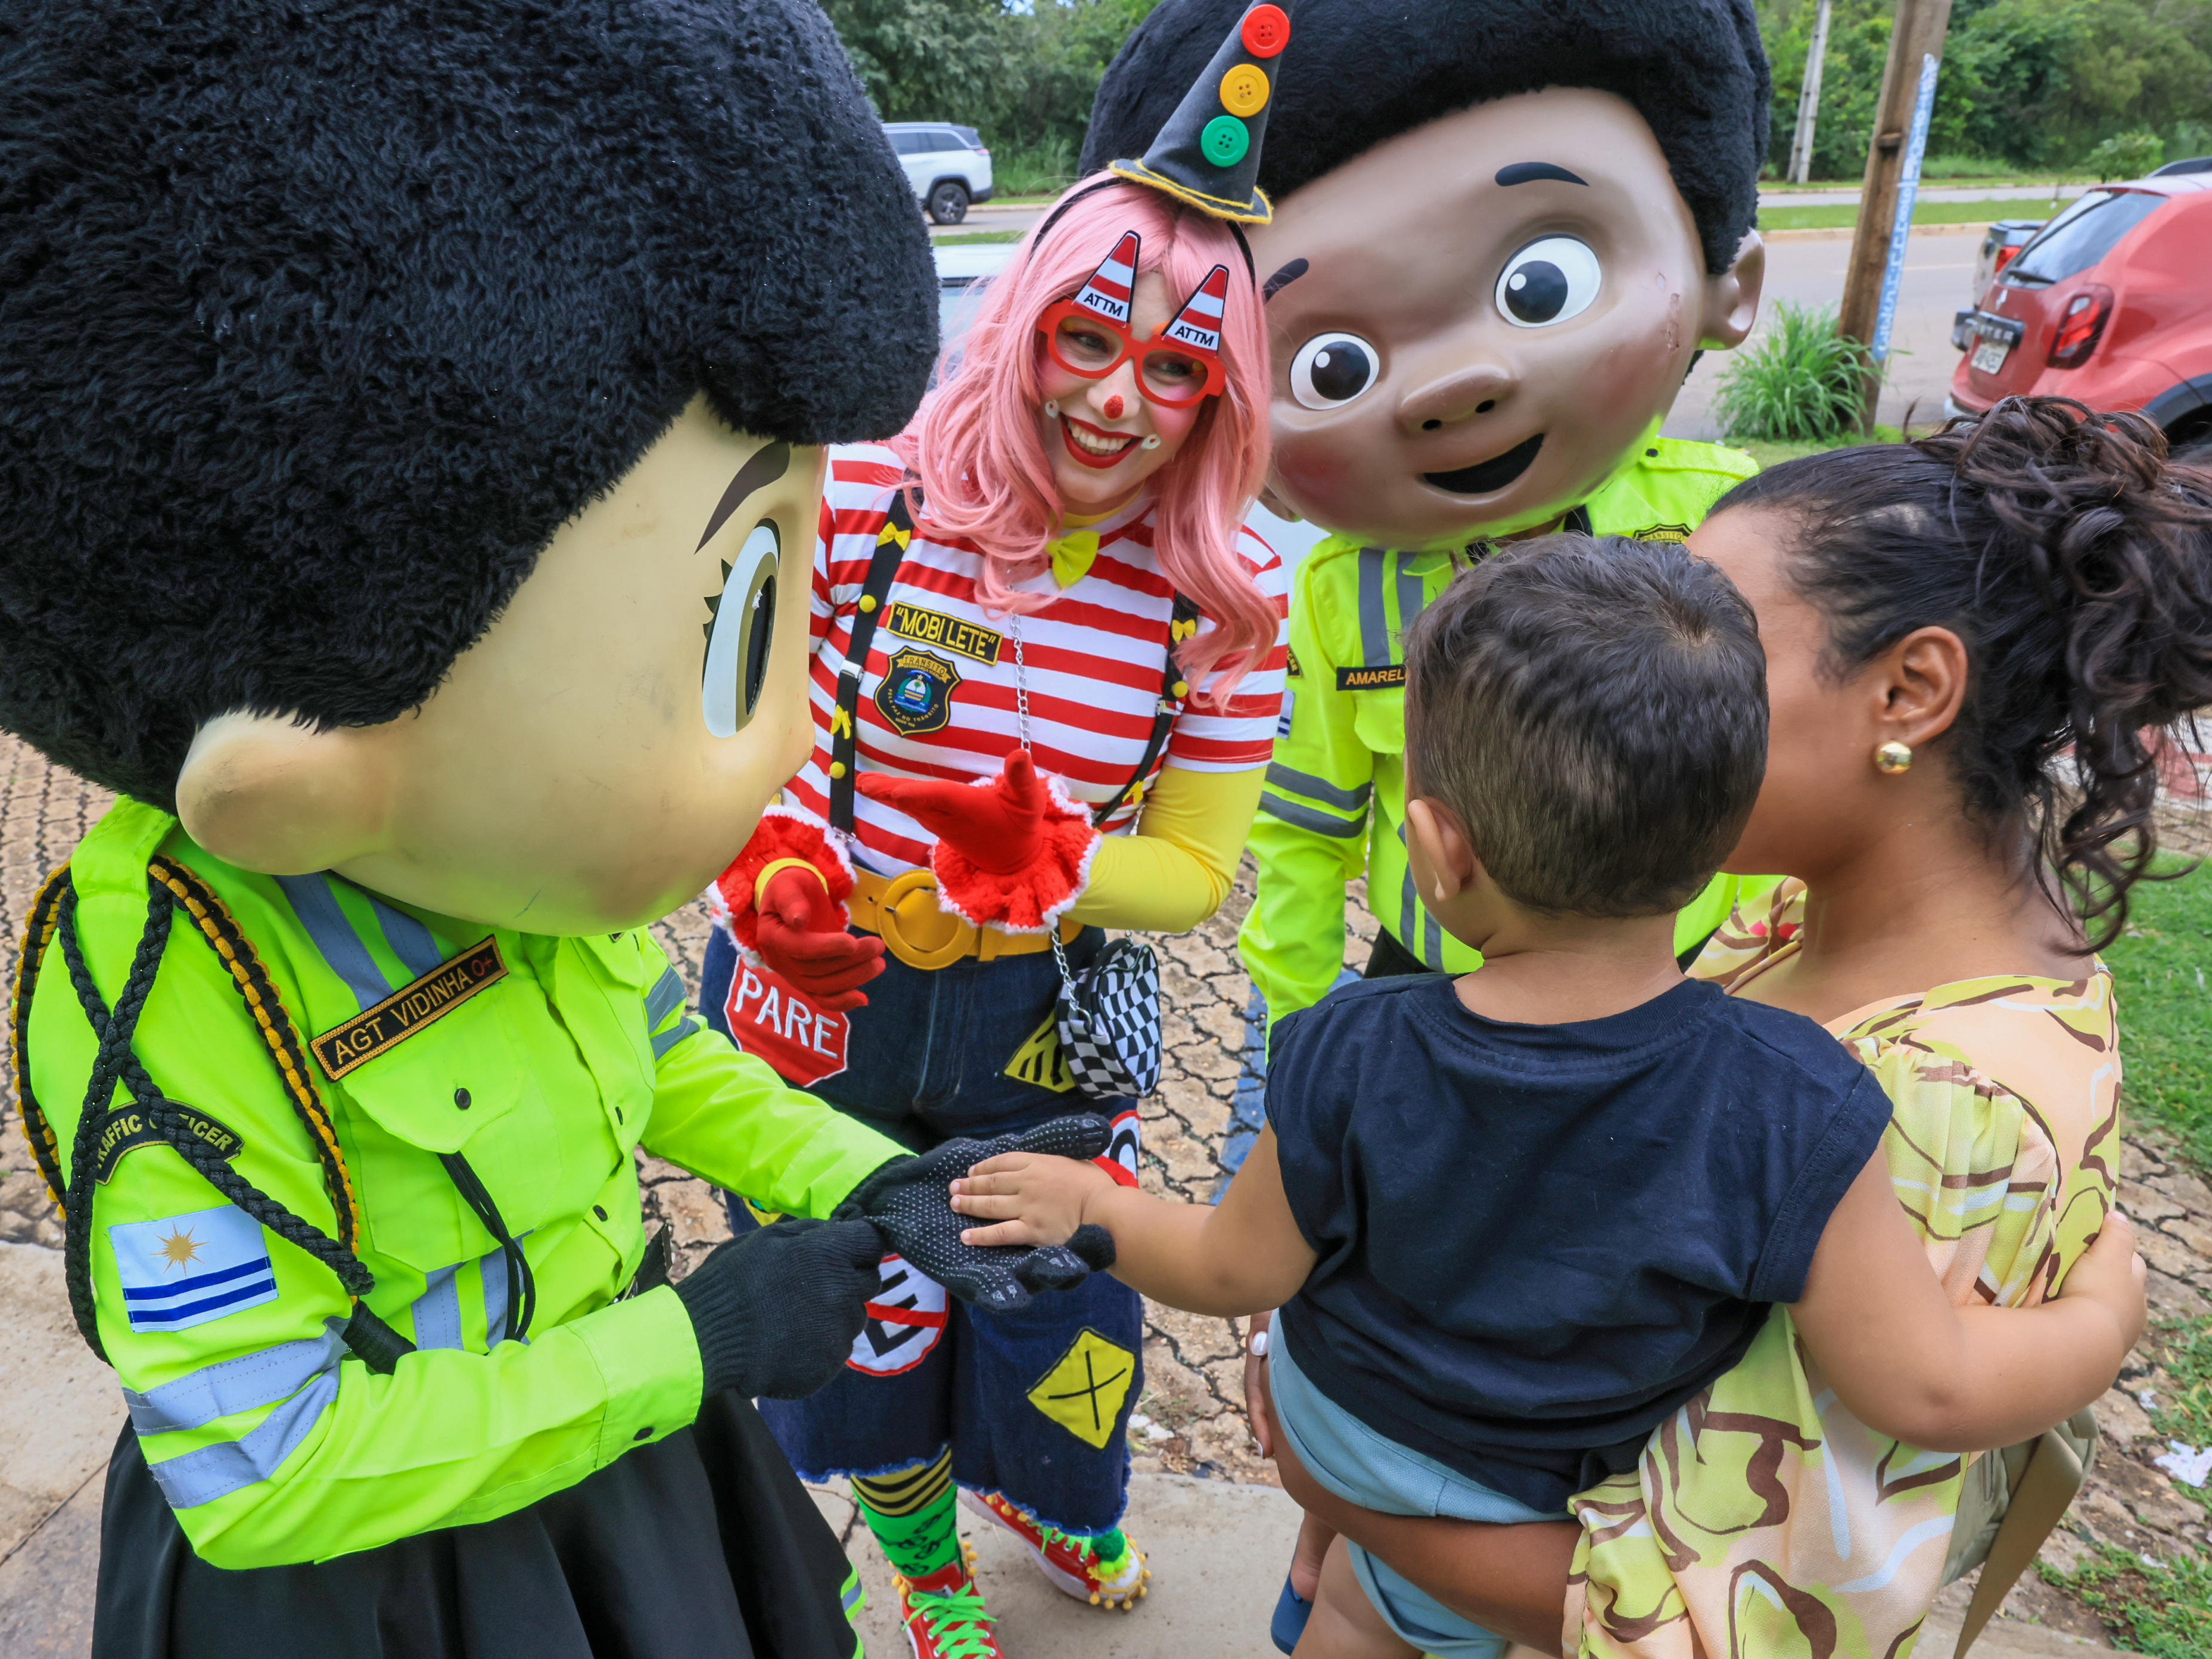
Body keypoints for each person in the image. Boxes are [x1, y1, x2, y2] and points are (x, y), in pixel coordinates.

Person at [0, 5, 1107, 1654]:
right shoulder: (174, 986)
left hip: (617, 1460)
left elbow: (652, 1053)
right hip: (393, 1580)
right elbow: (266, 1464)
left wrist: (878, 1182)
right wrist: (695, 1348)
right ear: (302, 773)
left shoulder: (497, 857)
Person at [943, 528, 2151, 1659]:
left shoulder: (1349, 1048)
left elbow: (1228, 1272)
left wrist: (1085, 1203)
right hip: (1535, 1497)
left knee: (1356, 1610)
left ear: (1437, 852)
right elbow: (1925, 1386)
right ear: (1724, 827)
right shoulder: (1805, 1096)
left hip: (1340, 1433)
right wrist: (2100, 1319)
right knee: (1396, 1600)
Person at [1238, 397, 2212, 1659]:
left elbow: (1742, 1621)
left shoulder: (1948, 1107)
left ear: (1911, 691)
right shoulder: (1799, 927)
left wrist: (1345, 1488)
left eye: (1718, 646)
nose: (1645, 689)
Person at [694, 15, 1296, 1656]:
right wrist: (790, 878)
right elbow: (755, 742)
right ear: (1025, 317)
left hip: (1043, 1022)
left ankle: (1054, 1495)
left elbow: (1191, 871)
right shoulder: (874, 490)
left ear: (1223, 391)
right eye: (1089, 339)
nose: (1119, 397)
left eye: (1177, 368)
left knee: (1056, 1294)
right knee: (867, 1291)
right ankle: (919, 1553)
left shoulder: (1230, 601)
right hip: (832, 997)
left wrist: (1040, 863)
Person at [1086, 0, 1777, 1023]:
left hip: (1690, 983)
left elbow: (1794, 786)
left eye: (1541, 284)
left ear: (1731, 285)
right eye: (1332, 367)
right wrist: (1300, 1035)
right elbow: (1308, 825)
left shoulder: (1730, 526)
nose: (1451, 387)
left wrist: (1751, 997)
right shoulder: (1342, 592)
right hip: (1432, 981)